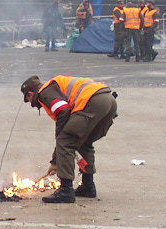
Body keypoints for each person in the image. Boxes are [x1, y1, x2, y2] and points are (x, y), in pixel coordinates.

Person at [20, 74, 118, 203]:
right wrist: (56, 160)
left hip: (93, 102)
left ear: (30, 94)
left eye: (28, 99)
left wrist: (56, 161)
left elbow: (63, 111)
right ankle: (88, 186)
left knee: (65, 141)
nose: (32, 104)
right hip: (108, 101)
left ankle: (66, 190)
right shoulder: (53, 88)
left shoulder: (44, 92)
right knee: (83, 142)